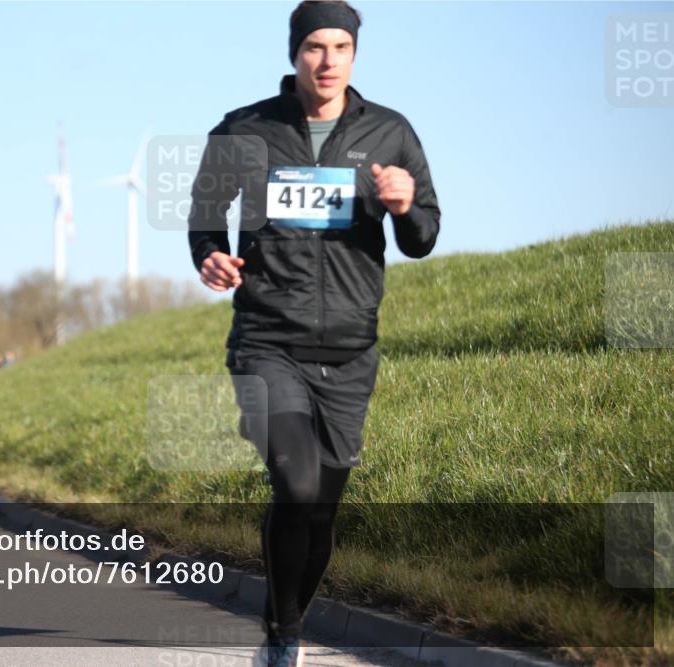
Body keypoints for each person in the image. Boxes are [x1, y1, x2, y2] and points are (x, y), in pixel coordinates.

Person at [187, 3, 440, 664]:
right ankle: (283, 638)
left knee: (321, 511)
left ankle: (284, 615)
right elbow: (205, 219)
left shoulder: (391, 133)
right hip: (267, 340)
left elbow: (423, 238)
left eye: (340, 48)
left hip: (352, 350)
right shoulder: (243, 131)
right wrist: (210, 254)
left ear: (355, 54)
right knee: (295, 485)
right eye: (314, 48)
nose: (327, 62)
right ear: (294, 52)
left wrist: (405, 206)